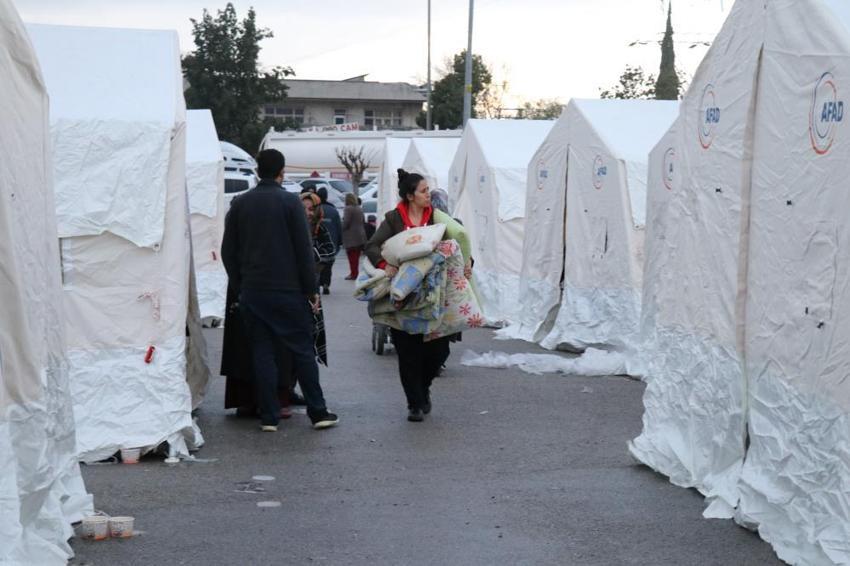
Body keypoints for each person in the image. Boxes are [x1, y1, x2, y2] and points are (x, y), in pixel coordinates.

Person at [221, 148, 338, 432]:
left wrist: (240, 285)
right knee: (301, 350)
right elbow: (302, 249)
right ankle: (318, 411)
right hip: (288, 291)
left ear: (257, 171)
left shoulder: (240, 204)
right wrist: (310, 290)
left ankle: (269, 416)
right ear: (282, 172)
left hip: (253, 291)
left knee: (262, 352)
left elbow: (228, 251)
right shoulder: (290, 204)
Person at [364, 169, 473, 422]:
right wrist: (384, 265)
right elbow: (371, 246)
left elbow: (456, 245)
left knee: (438, 352)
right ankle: (414, 402)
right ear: (411, 195)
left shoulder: (437, 217)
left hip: (436, 296)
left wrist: (468, 263)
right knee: (407, 352)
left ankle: (423, 388)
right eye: (424, 191)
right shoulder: (394, 219)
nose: (428, 194)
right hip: (404, 297)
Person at [316, 187, 342, 295]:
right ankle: (326, 283)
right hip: (332, 243)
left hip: (317, 243)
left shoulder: (315, 209)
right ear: (326, 196)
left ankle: (318, 283)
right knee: (328, 265)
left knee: (318, 265)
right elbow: (338, 227)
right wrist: (340, 241)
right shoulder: (333, 210)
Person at [341, 193, 367, 280]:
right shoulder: (359, 208)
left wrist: (341, 227)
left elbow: (346, 223)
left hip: (351, 236)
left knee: (352, 256)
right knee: (356, 256)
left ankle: (353, 274)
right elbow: (363, 220)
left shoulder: (348, 209)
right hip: (360, 235)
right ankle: (355, 273)